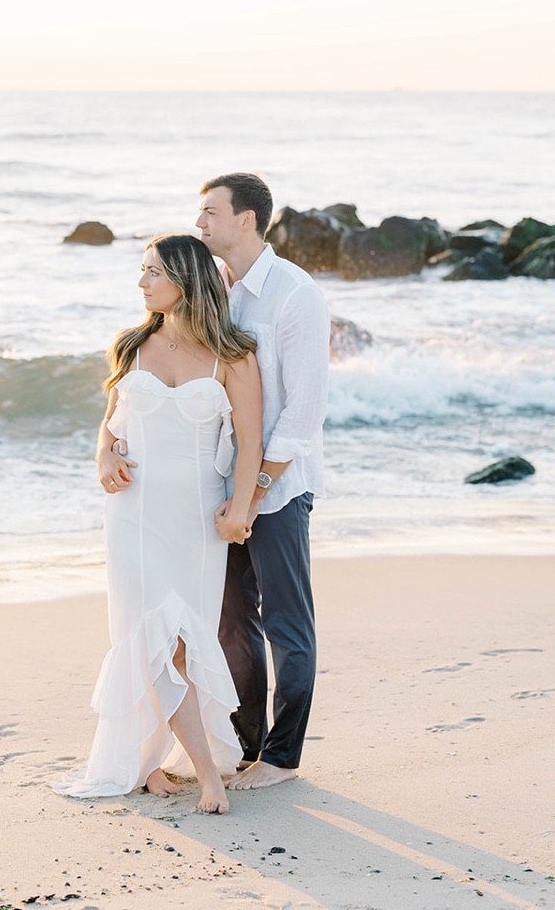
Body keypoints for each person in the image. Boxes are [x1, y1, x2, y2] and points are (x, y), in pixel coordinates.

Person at [54, 234, 263, 815]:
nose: (140, 282)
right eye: (141, 270)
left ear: (184, 280)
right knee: (153, 639)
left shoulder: (234, 357)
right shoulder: (132, 344)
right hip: (133, 514)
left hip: (196, 520)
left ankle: (154, 762)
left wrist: (240, 509)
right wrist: (104, 456)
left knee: (184, 642)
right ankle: (205, 775)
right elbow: (110, 423)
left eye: (151, 272)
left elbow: (251, 446)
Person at [200, 172, 330, 789]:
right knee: (230, 620)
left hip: (279, 487)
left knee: (286, 621)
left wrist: (254, 493)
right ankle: (244, 746)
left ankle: (283, 757)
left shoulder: (293, 294)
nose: (201, 224)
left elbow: (302, 414)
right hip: (227, 485)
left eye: (210, 212)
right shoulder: (217, 291)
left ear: (246, 219)